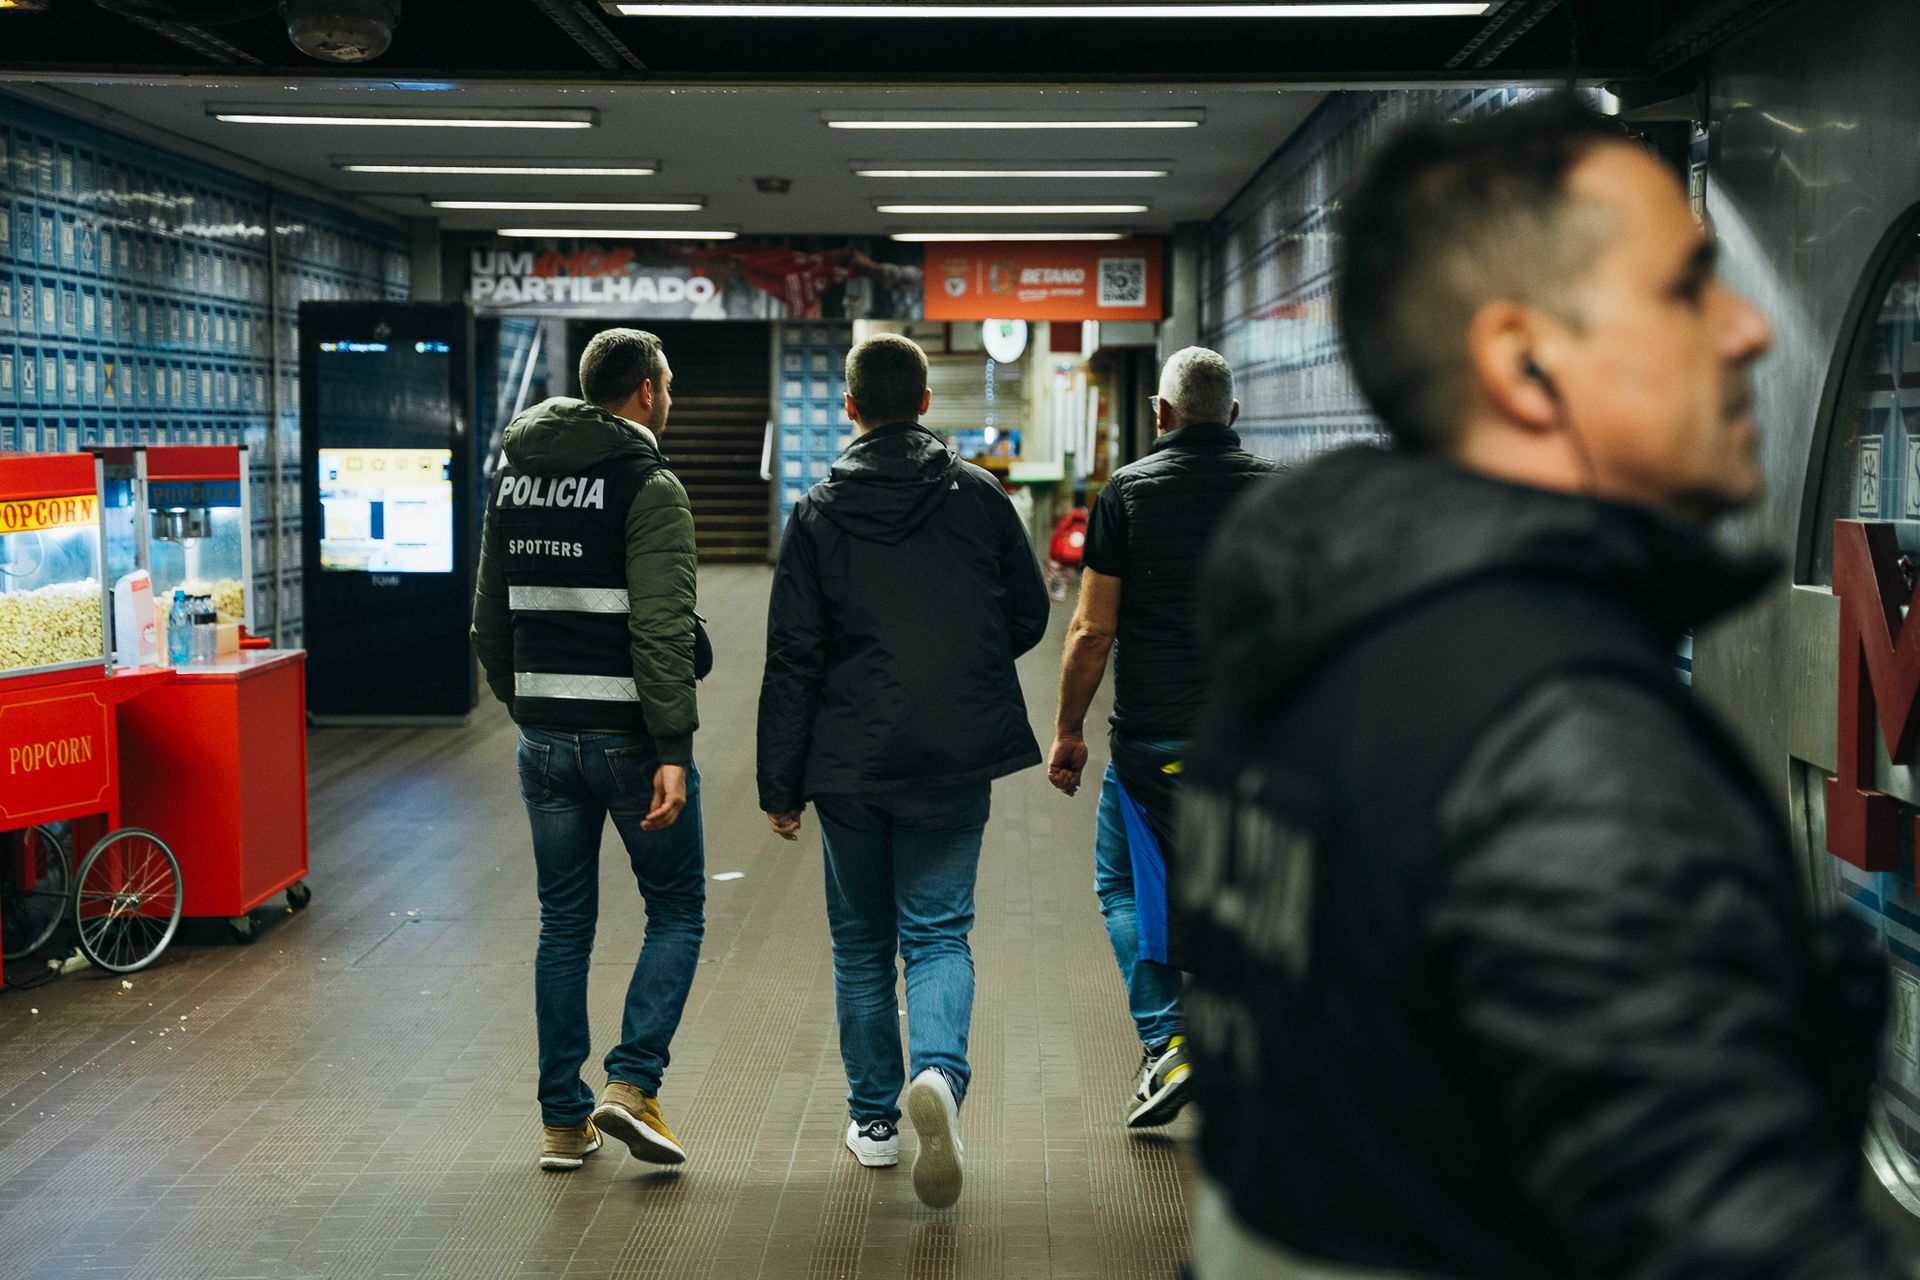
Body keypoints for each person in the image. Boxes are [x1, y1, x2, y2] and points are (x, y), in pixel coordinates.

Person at [1177, 96, 1907, 1278]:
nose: (1747, 332)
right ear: (1523, 360)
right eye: (1685, 290)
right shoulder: (1561, 743)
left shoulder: (1300, 663)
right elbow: (1733, 1234)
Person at [756, 333, 1049, 1209]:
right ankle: (941, 1083)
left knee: (859, 944)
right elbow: (1028, 613)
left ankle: (876, 1124)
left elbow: (794, 657)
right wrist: (965, 665)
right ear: (926, 403)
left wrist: (780, 782)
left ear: (850, 407)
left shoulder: (814, 513)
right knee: (938, 932)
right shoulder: (982, 497)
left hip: (849, 763)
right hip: (954, 753)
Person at [472, 327, 705, 1174]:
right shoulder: (651, 484)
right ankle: (632, 1085)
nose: (670, 397)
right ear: (645, 390)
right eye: (668, 383)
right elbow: (662, 631)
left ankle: (563, 1124)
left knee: (564, 923)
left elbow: (488, 619)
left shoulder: (516, 477)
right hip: (630, 743)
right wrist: (671, 746)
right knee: (677, 908)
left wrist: (528, 706)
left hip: (546, 741)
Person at [1045, 346, 1280, 1129]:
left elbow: (1092, 630)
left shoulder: (1129, 493)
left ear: (1161, 415)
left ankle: (1167, 1044)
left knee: (1125, 885)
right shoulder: (1279, 495)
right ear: (1233, 416)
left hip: (1154, 743)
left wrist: (1069, 729)